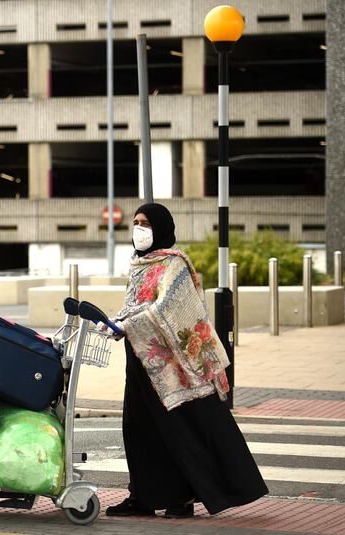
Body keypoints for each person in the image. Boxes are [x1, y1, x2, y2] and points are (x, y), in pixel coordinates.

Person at [103, 202, 268, 519]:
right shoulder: (139, 265)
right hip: (140, 359)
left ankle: (181, 499)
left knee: (177, 431)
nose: (139, 228)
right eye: (136, 222)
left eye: (146, 223)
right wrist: (115, 322)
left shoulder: (174, 265)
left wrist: (128, 325)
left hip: (174, 366)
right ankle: (143, 498)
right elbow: (136, 306)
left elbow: (168, 308)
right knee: (138, 429)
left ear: (162, 227)